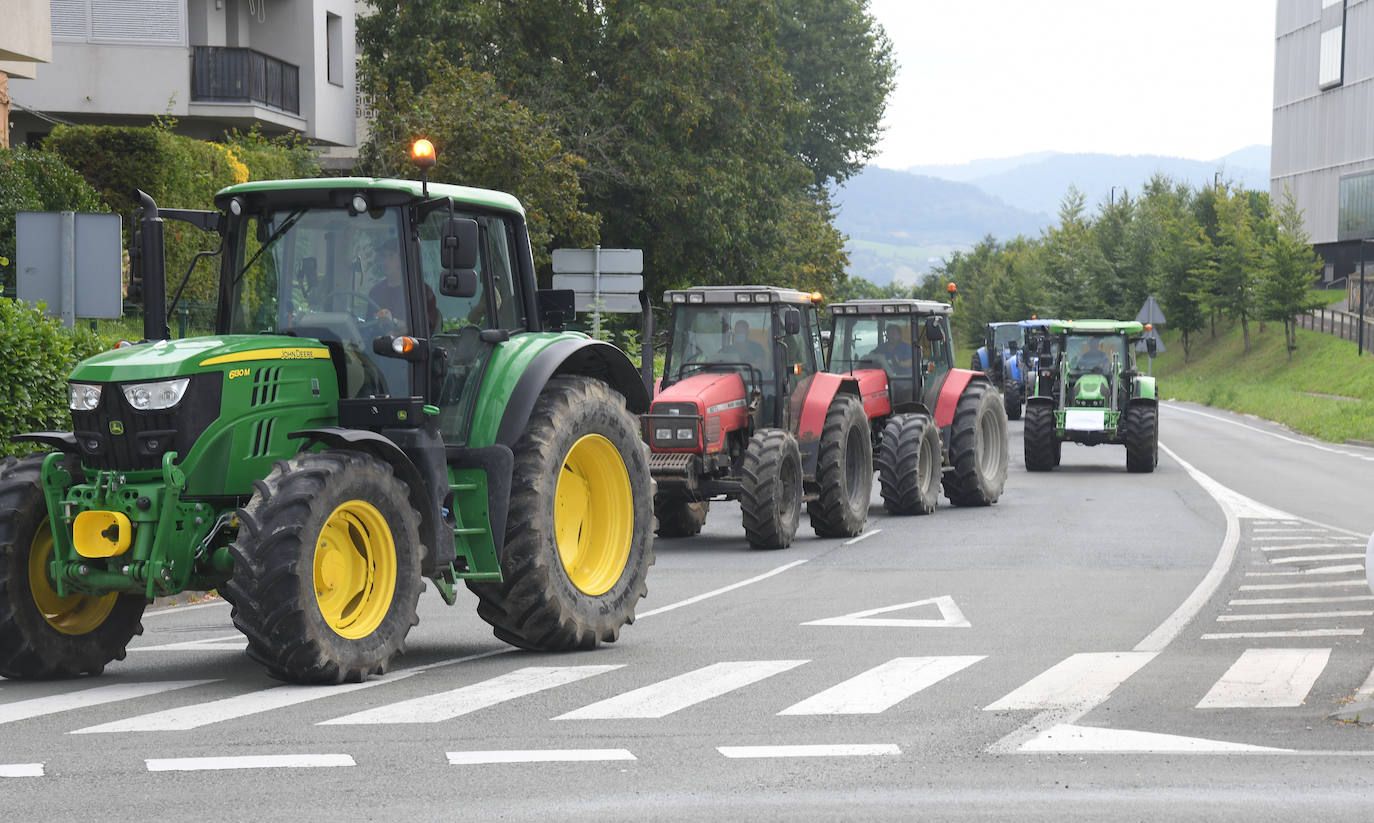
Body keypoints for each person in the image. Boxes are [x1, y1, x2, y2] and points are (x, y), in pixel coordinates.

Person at [368, 245, 439, 333]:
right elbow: (368, 326)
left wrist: (393, 322)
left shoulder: (421, 291)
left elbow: (427, 329)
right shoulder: (375, 291)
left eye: (391, 256)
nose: (385, 261)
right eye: (383, 256)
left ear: (403, 259)